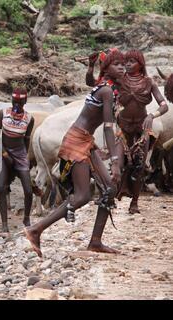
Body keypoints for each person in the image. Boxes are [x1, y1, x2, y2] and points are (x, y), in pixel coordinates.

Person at [25, 50, 125, 257]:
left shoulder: (106, 86)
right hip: (77, 141)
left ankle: (95, 241)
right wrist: (115, 160)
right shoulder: (106, 91)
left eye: (124, 64)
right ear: (107, 69)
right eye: (117, 65)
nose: (122, 68)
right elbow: (108, 127)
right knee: (82, 195)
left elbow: (91, 81)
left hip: (84, 139)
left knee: (109, 188)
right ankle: (36, 229)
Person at [114, 50, 168, 214]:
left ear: (141, 63)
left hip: (142, 131)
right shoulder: (118, 80)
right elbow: (92, 83)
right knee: (118, 164)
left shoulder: (149, 82)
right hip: (122, 130)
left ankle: (135, 203)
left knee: (139, 166)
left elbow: (164, 105)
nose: (128, 64)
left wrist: (152, 115)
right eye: (126, 61)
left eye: (132, 61)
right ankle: (112, 195)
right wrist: (90, 67)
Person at [0, 87, 34, 232]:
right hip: (3, 153)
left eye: (20, 101)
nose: (17, 104)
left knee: (28, 190)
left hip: (20, 154)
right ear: (11, 100)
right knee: (1, 188)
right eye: (15, 101)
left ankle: (26, 218)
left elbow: (27, 140)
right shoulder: (2, 114)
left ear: (25, 101)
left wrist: (25, 159)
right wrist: (5, 154)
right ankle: (4, 224)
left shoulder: (29, 119)